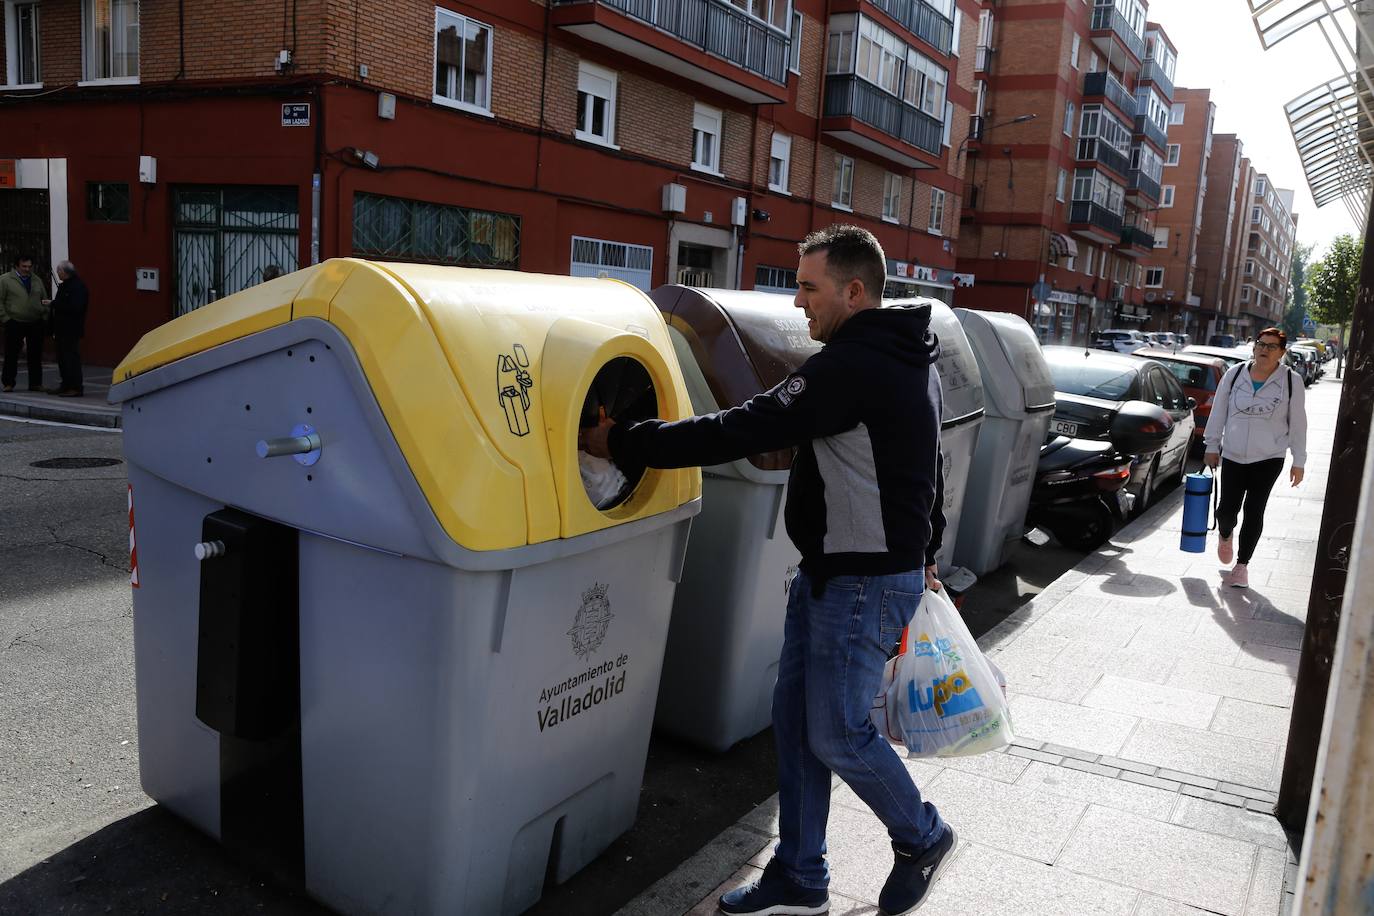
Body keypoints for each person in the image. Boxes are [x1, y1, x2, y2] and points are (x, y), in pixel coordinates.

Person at [581, 225, 955, 916]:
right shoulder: (908, 358)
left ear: (854, 290)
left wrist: (626, 440)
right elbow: (930, 464)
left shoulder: (851, 365)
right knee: (798, 725)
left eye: (809, 286)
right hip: (841, 574)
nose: (798, 300)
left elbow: (742, 428)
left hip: (860, 582)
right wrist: (927, 548)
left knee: (837, 732)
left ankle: (922, 834)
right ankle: (800, 876)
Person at [1203, 326, 1307, 589]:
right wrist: (1211, 445)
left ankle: (1242, 565)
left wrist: (1299, 460)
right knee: (1226, 510)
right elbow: (1218, 412)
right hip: (1234, 455)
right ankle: (1225, 534)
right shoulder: (1234, 374)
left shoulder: (1291, 381)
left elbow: (1298, 423)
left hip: (1269, 456)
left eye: (1272, 346)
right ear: (1254, 347)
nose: (1264, 349)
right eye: (1261, 344)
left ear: (1282, 352)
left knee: (1254, 510)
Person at [0, 254, 50, 393]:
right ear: (17, 266)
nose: (27, 269)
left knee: (35, 354)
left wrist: (44, 315)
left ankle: (35, 383)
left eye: (29, 266)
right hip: (14, 321)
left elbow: (44, 298)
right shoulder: (5, 280)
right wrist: (5, 318)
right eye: (24, 266)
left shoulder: (36, 280)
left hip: (35, 321)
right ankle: (8, 383)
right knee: (11, 354)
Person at [46, 260, 89, 397]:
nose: (58, 273)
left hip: (71, 329)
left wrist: (54, 304)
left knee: (71, 359)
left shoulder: (77, 287)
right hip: (61, 329)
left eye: (59, 271)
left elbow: (76, 308)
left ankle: (75, 387)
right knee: (62, 359)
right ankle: (65, 384)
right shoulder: (66, 286)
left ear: (65, 272)